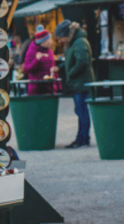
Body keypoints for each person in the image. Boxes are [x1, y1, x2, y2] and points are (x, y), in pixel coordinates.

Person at [56, 19, 95, 148]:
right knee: (80, 110)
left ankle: (83, 139)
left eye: (60, 37)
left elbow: (82, 62)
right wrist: (60, 67)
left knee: (81, 111)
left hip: (82, 83)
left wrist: (70, 73)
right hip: (79, 82)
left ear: (66, 34)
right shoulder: (73, 43)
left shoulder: (79, 43)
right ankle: (81, 137)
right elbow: (70, 60)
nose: (60, 41)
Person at [22, 26, 55, 95]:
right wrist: (36, 60)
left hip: (49, 88)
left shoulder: (49, 51)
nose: (52, 41)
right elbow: (27, 68)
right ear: (44, 41)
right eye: (50, 39)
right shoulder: (31, 51)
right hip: (36, 89)